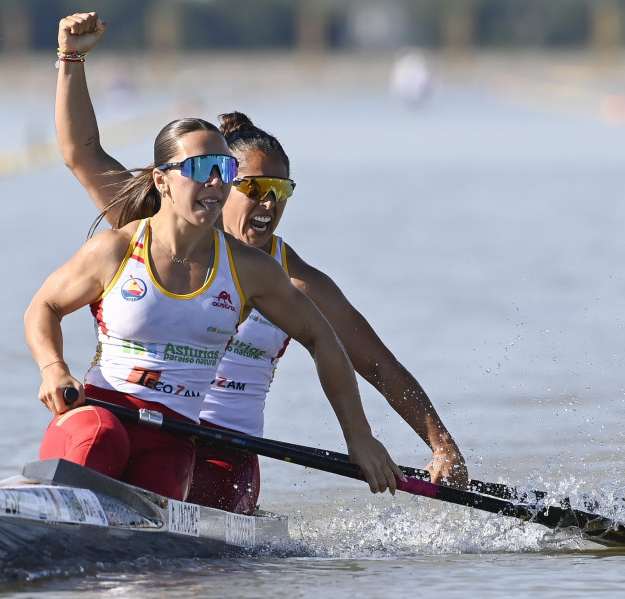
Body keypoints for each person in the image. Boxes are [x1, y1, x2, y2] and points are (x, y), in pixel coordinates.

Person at [53, 12, 469, 512]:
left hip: (230, 451)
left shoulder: (294, 280)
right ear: (224, 183)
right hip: (140, 424)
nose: (269, 204)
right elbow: (83, 152)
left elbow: (377, 365)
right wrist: (71, 58)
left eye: (280, 191)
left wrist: (442, 446)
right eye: (254, 188)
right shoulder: (151, 228)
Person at [25, 116, 405, 502]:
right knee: (98, 440)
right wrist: (53, 369)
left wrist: (359, 437)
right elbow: (45, 305)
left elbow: (321, 336)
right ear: (162, 180)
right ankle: (55, 508)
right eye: (202, 169)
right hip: (105, 413)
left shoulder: (250, 270)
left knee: (166, 479)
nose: (216, 182)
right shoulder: (115, 248)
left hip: (174, 436)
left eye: (225, 170)